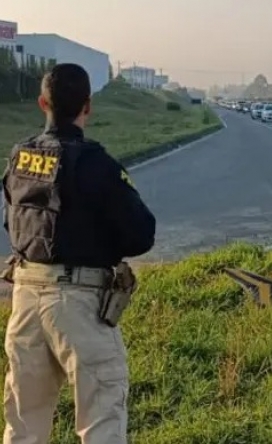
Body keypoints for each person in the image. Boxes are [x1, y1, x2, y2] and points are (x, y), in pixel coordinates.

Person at [1, 63, 156, 444]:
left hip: (24, 298)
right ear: (88, 106)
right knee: (101, 415)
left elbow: (13, 224)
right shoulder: (96, 164)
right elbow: (141, 235)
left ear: (42, 103)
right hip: (81, 303)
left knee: (23, 423)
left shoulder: (20, 158)